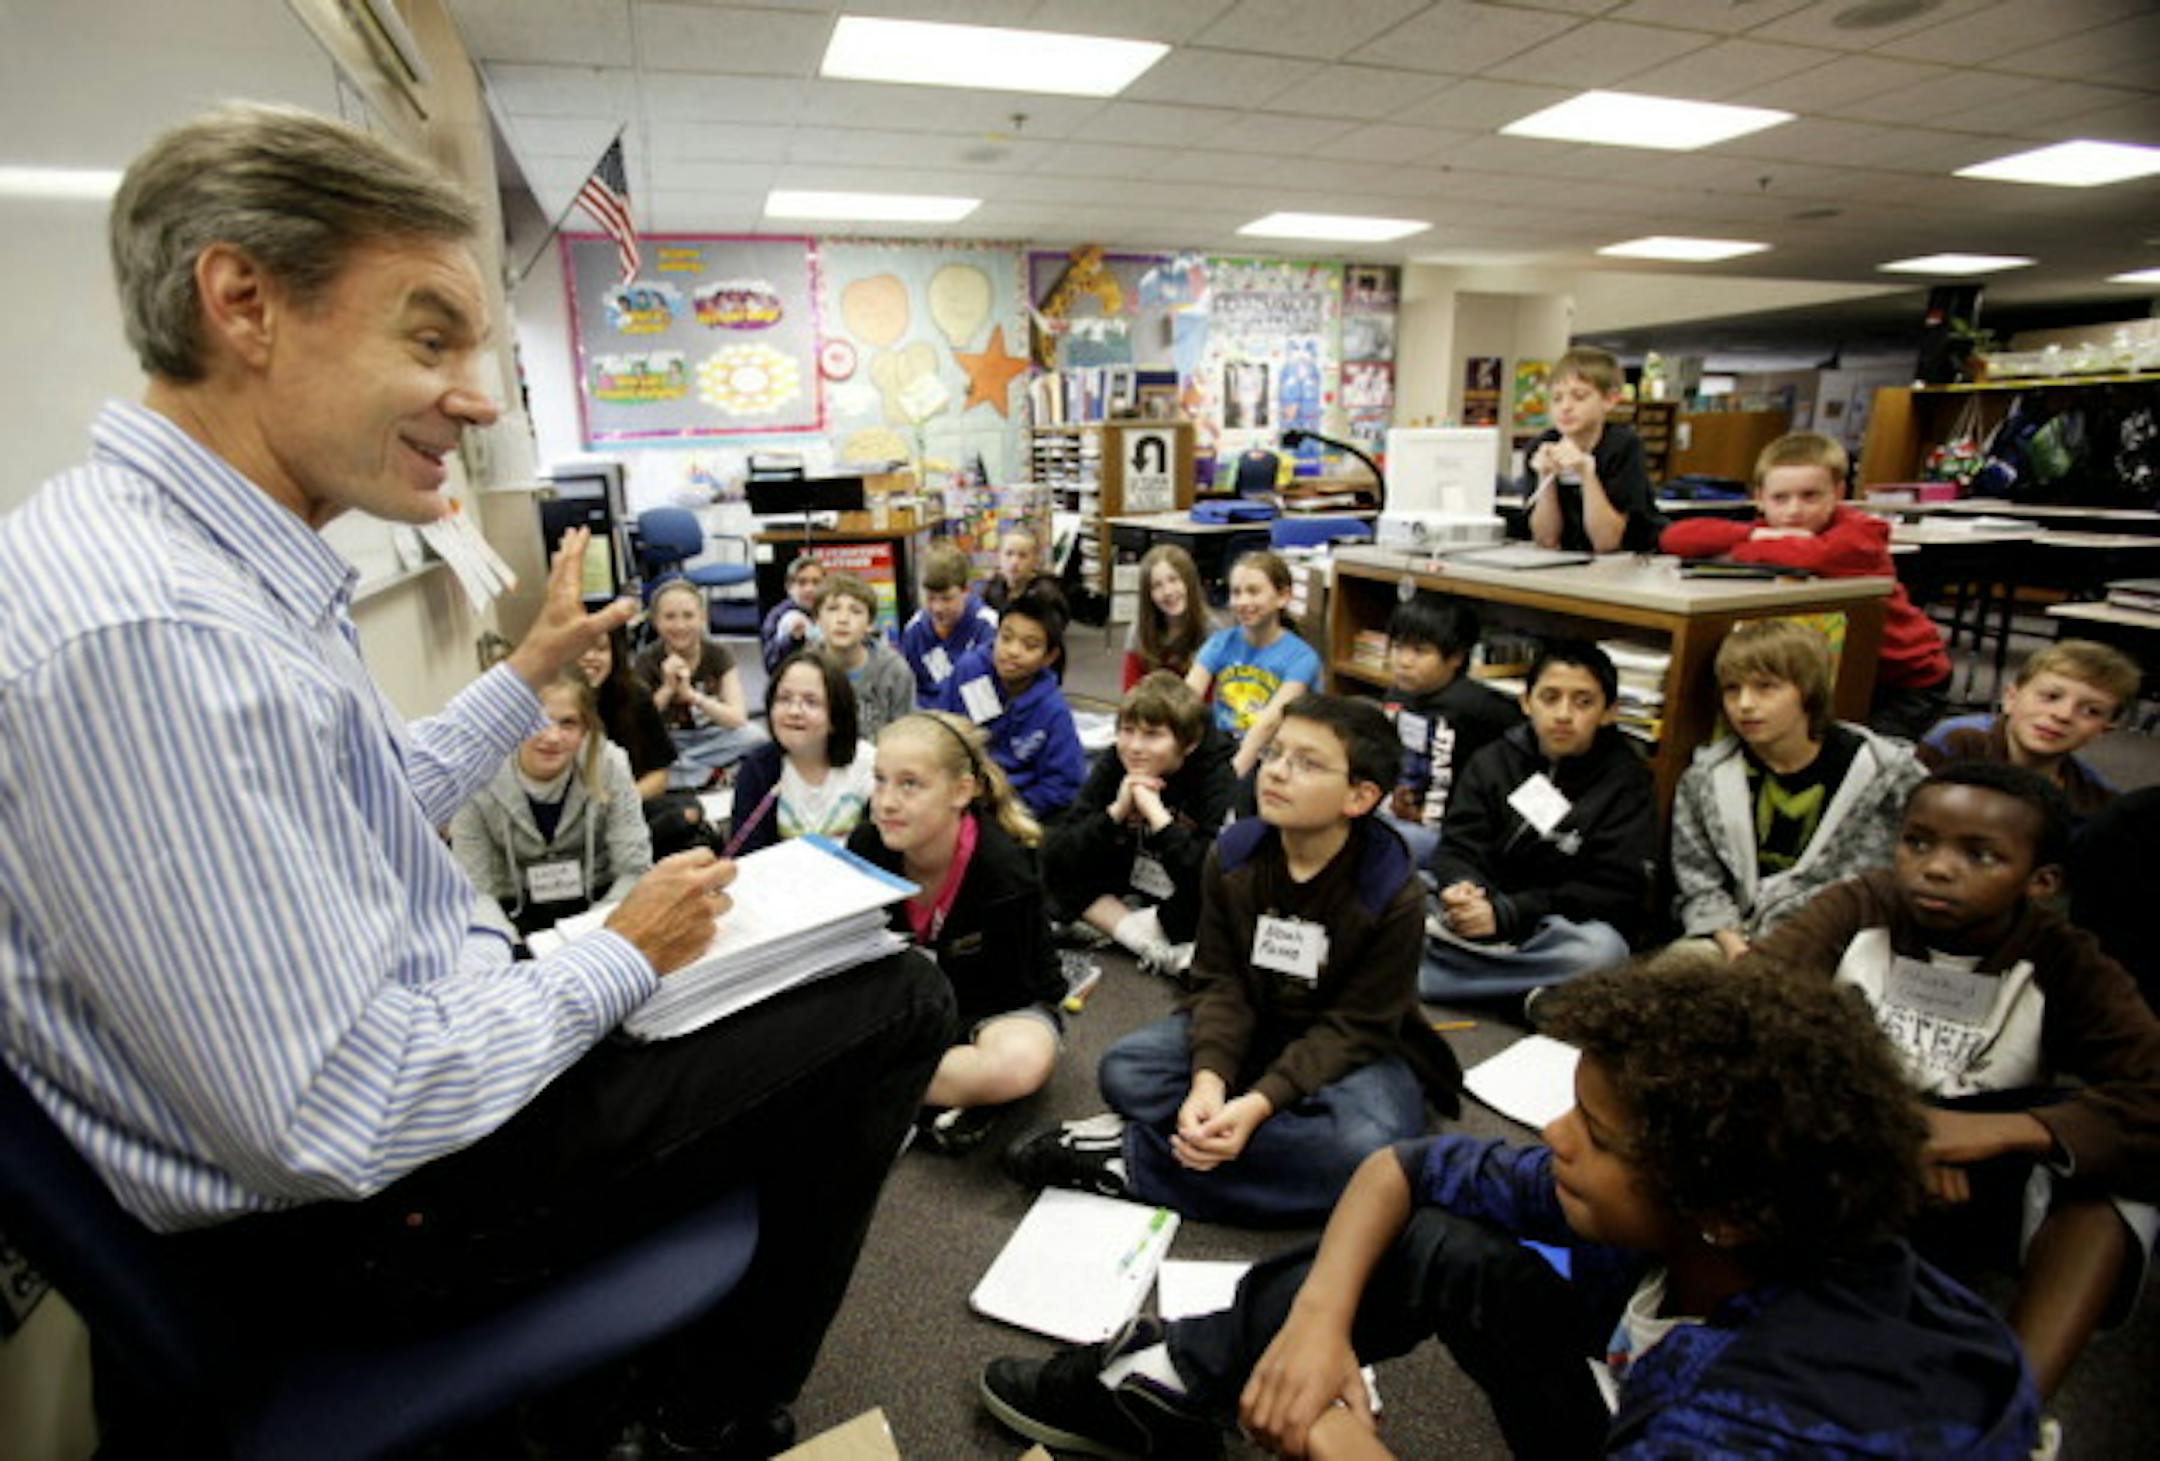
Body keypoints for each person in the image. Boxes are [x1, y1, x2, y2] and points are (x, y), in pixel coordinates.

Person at [0, 103, 950, 1457]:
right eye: (428, 335)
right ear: (244, 301)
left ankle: (639, 1379)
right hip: (372, 1214)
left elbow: (353, 795)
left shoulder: (197, 565)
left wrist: (524, 674)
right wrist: (616, 954)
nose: (480, 398)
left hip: (406, 1097)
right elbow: (338, 1114)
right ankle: (710, 1416)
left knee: (782, 981)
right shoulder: (154, 635)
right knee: (895, 996)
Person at [979, 957, 2041, 1460]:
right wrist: (1316, 1325)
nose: (1555, 1140)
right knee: (1439, 1241)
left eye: (1601, 1138)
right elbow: (1406, 1166)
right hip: (1640, 1376)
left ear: (1722, 1203)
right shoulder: (1734, 1219)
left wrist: (1344, 1447)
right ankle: (1173, 1379)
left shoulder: (1749, 1424)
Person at [1752, 762, 2160, 1402]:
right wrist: (1899, 1129)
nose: (1937, 868)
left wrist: (2001, 1133)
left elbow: (2149, 1090)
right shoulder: (1858, 905)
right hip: (1841, 1134)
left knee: (2120, 1188)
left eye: (1981, 855)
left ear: (2041, 880)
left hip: (1983, 1161)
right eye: (1918, 842)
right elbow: (1739, 1006)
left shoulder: (2065, 957)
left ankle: (2012, 1409)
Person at [1005, 696, 1460, 1227]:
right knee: (1126, 1071)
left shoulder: (1390, 891)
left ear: (1359, 797)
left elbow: (1357, 1027)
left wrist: (1261, 1102)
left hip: (1352, 1050)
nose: (1277, 773)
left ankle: (1131, 1160)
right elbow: (1221, 983)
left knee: (1366, 1143)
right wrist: (1209, 1079)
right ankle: (1260, 1140)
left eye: (1307, 763)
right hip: (1256, 1028)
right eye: (1274, 753)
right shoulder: (1235, 854)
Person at [847, 713, 1066, 1156]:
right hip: (906, 1003)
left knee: (1018, 1063)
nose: (886, 801)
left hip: (995, 1008)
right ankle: (928, 1093)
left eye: (910, 784)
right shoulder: (869, 843)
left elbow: (1010, 991)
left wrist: (905, 1035)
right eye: (880, 780)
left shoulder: (1003, 872)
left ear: (961, 791)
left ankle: (864, 1084)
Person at [1660, 431, 1953, 739]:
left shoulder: (1862, 534)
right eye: (1780, 498)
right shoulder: (1767, 530)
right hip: (1836, 671)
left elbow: (1813, 557)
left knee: (1865, 757)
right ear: (1759, 498)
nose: (1794, 510)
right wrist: (1753, 536)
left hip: (1905, 680)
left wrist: (1748, 547)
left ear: (1838, 492)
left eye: (1810, 496)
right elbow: (1674, 538)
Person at [1671, 619, 1925, 959]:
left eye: (1765, 687)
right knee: (1676, 970)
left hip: (1841, 942)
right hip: (1737, 937)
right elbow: (1698, 882)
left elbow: (1906, 876)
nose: (1745, 704)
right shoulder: (1706, 777)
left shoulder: (1889, 774)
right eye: (1733, 689)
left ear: (1807, 690)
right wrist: (1732, 943)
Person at [1421, 640, 1656, 1001]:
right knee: (1398, 869)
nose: (1564, 714)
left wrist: (1509, 914)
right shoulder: (1493, 761)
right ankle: (1530, 993)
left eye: (1583, 702)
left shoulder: (1626, 782)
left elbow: (1614, 890)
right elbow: (1458, 844)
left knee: (1602, 953)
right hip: (1480, 905)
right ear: (1526, 702)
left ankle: (1426, 975)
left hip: (1552, 921)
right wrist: (1462, 889)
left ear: (1609, 712)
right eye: (1550, 698)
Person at [1040, 671, 1235, 974]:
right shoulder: (1118, 760)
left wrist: (1158, 818)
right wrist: (1115, 813)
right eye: (1127, 731)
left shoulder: (1218, 776)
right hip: (1130, 877)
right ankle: (1148, 943)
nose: (1134, 746)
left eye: (1152, 735)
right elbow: (1056, 854)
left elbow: (1210, 876)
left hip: (1179, 890)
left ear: (1189, 743)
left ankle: (1125, 929)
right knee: (1049, 859)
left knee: (1217, 897)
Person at [450, 671, 654, 939]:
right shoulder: (475, 775)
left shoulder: (610, 764)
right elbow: (473, 890)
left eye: (567, 723)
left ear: (585, 729)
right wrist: (507, 943)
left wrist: (597, 933)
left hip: (598, 903)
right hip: (514, 910)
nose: (552, 737)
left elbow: (633, 870)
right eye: (537, 721)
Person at [1917, 639, 2138, 826]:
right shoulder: (1956, 742)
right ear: (2011, 698)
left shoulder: (2097, 799)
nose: (2062, 715)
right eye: (2051, 697)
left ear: (2103, 730)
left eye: (2091, 711)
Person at [1378, 593, 1521, 868]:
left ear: (1456, 657)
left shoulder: (1480, 708)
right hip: (1393, 813)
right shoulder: (1398, 694)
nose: (1404, 661)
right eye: (1397, 647)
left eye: (1420, 651)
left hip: (1444, 836)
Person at [931, 586, 1086, 821]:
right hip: (958, 793)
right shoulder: (969, 670)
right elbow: (937, 731)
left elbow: (1063, 785)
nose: (1013, 651)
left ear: (1050, 656)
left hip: (1016, 809)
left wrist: (1006, 807)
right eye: (1006, 637)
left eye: (1030, 645)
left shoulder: (1052, 711)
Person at [720, 649, 874, 858]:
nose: (794, 711)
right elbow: (747, 857)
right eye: (784, 699)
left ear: (837, 714)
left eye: (811, 702)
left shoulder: (868, 764)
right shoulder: (758, 769)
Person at [578, 622, 713, 858]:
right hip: (572, 820)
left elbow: (659, 776)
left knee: (688, 812)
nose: (590, 657)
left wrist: (620, 802)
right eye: (580, 649)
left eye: (600, 649)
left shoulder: (635, 696)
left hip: (625, 805)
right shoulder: (549, 704)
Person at [1188, 550, 1323, 780]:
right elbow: (1187, 696)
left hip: (1275, 754)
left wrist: (1231, 776)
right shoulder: (1220, 642)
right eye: (1236, 592)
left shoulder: (1302, 657)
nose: (1242, 602)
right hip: (1224, 743)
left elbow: (1269, 723)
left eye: (1253, 592)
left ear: (1283, 596)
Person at [1521, 347, 1666, 555]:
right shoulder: (1541, 446)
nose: (1566, 407)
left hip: (1631, 561)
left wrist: (1587, 474)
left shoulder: (1623, 446)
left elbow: (1607, 543)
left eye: (1579, 397)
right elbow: (1546, 540)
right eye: (1556, 398)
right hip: (1570, 560)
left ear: (1609, 400)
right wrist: (1546, 476)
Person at [635, 577, 767, 789]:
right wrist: (667, 689)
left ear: (702, 618)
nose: (680, 625)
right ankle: (708, 774)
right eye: (670, 617)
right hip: (668, 740)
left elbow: (737, 718)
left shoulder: (718, 654)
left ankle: (680, 775)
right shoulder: (646, 660)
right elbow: (637, 722)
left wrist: (693, 696)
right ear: (656, 621)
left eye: (688, 616)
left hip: (712, 738)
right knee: (632, 748)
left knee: (757, 737)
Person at [813, 571, 915, 740]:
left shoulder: (894, 670)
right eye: (832, 609)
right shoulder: (803, 668)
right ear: (817, 619)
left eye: (856, 611)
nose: (843, 619)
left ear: (870, 623)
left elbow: (906, 734)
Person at [898, 539, 999, 706]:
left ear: (966, 591)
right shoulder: (913, 630)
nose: (937, 608)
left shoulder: (987, 625)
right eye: (930, 598)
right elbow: (911, 691)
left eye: (947, 599)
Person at [1123, 543, 1212, 691]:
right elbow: (1130, 696)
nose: (1168, 592)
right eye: (1157, 586)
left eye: (1174, 580)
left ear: (1189, 581)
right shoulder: (1138, 632)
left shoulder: (1211, 632)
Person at [759, 553, 825, 675]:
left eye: (816, 582)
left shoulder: (829, 611)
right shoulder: (779, 616)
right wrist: (792, 639)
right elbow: (771, 664)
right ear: (789, 587)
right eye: (802, 583)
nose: (809, 589)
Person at [980, 524, 1056, 615]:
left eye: (1022, 556)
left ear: (1035, 560)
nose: (1014, 562)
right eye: (1008, 554)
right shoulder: (992, 589)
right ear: (999, 557)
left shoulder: (1044, 596)